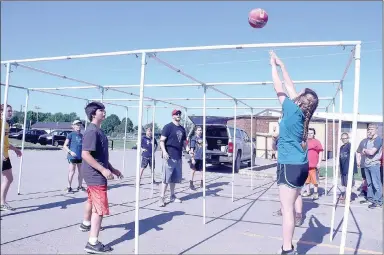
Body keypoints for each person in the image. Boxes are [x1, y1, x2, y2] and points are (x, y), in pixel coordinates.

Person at [270, 51, 319, 255]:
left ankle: (287, 248)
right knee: (292, 202)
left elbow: (279, 87)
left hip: (289, 165)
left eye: (300, 93)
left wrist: (272, 66)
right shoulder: (300, 114)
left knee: (286, 210)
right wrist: (282, 65)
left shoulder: (291, 109)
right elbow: (289, 87)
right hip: (300, 165)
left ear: (301, 100)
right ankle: (288, 245)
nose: (296, 91)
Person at [79, 102, 123, 254]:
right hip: (94, 175)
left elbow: (100, 156)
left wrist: (112, 169)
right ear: (93, 114)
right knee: (99, 208)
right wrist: (103, 170)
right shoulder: (91, 131)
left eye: (104, 110)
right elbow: (85, 154)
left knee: (91, 200)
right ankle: (92, 242)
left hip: (95, 173)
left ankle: (85, 224)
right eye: (101, 111)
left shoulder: (98, 131)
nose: (104, 113)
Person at [159, 109, 187, 207]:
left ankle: (172, 196)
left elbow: (184, 142)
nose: (179, 115)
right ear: (173, 116)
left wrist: (188, 149)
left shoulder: (182, 129)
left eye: (179, 114)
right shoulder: (168, 127)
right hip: (169, 157)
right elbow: (161, 141)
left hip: (178, 157)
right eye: (177, 114)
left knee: (174, 179)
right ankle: (161, 198)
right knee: (166, 179)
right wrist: (164, 152)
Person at [0, 104, 22, 211]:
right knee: (8, 178)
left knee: (9, 178)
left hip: (5, 155)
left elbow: (5, 142)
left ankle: (2, 202)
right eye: (8, 111)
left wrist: (15, 149)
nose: (10, 112)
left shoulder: (6, 125)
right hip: (1, 155)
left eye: (11, 111)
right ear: (1, 112)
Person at [359, 123, 383, 209]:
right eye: (369, 129)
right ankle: (370, 199)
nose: (369, 131)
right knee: (369, 183)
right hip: (367, 164)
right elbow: (361, 152)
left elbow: (372, 152)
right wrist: (366, 151)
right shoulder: (368, 140)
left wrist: (365, 150)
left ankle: (378, 201)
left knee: (376, 183)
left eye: (372, 129)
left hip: (374, 164)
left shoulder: (378, 140)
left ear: (376, 130)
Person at [63, 120, 85, 193]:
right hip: (72, 157)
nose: (78, 126)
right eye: (77, 125)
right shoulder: (71, 134)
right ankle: (69, 187)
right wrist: (70, 152)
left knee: (81, 172)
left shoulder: (82, 136)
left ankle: (80, 186)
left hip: (80, 157)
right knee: (72, 171)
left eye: (79, 125)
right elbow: (65, 146)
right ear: (73, 126)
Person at [302, 128, 323, 200]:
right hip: (305, 164)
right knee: (306, 180)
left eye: (311, 133)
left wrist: (319, 162)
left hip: (314, 165)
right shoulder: (304, 142)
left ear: (314, 134)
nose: (310, 134)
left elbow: (320, 152)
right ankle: (307, 191)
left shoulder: (317, 142)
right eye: (308, 133)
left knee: (315, 180)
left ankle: (315, 192)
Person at [338, 133, 357, 202]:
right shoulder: (341, 147)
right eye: (342, 138)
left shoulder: (349, 146)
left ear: (348, 138)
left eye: (345, 138)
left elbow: (353, 156)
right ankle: (346, 195)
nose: (344, 140)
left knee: (349, 183)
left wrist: (353, 167)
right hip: (343, 168)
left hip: (348, 167)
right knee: (345, 183)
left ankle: (348, 197)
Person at [188, 126, 205, 190]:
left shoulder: (203, 138)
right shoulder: (194, 138)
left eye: (201, 130)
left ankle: (202, 183)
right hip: (195, 157)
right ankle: (191, 184)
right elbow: (192, 149)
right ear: (195, 131)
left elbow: (204, 147)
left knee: (202, 171)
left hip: (201, 157)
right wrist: (192, 159)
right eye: (198, 130)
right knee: (193, 171)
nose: (200, 131)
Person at [356, 130, 369, 198]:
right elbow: (358, 151)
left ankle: (371, 193)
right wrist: (358, 161)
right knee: (364, 178)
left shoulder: (376, 141)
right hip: (363, 163)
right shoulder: (363, 141)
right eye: (368, 131)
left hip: (372, 164)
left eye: (371, 130)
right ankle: (364, 191)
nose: (369, 132)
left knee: (371, 179)